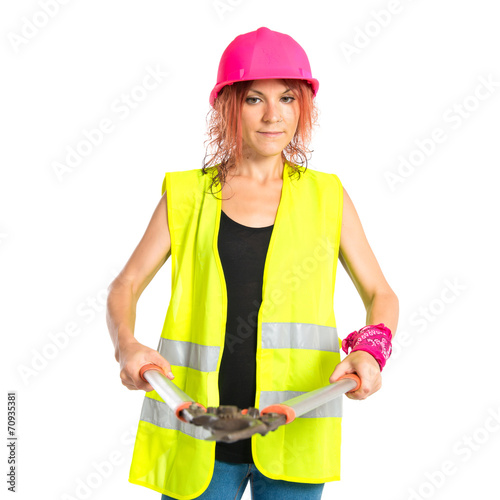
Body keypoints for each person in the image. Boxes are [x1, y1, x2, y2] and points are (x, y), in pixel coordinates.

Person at [106, 26, 399, 500]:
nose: (272, 116)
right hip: (197, 428)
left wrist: (370, 349)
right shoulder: (186, 196)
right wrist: (126, 346)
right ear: (228, 106)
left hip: (296, 428)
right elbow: (125, 284)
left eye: (286, 98)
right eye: (253, 99)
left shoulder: (327, 197)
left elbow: (380, 294)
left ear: (303, 106)